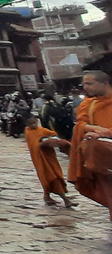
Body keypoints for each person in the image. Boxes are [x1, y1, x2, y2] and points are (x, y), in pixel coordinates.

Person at [69, 67, 112, 220]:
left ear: (105, 82)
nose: (86, 87)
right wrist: (93, 128)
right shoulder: (88, 104)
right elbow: (80, 123)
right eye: (84, 84)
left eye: (90, 83)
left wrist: (106, 132)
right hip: (101, 157)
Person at [25, 115, 76, 207]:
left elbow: (53, 133)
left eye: (35, 123)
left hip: (49, 157)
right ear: (27, 125)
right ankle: (66, 200)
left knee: (54, 175)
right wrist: (42, 142)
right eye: (31, 124)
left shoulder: (42, 130)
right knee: (51, 178)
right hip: (39, 158)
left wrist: (52, 139)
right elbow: (34, 144)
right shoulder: (28, 132)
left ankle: (46, 196)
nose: (33, 125)